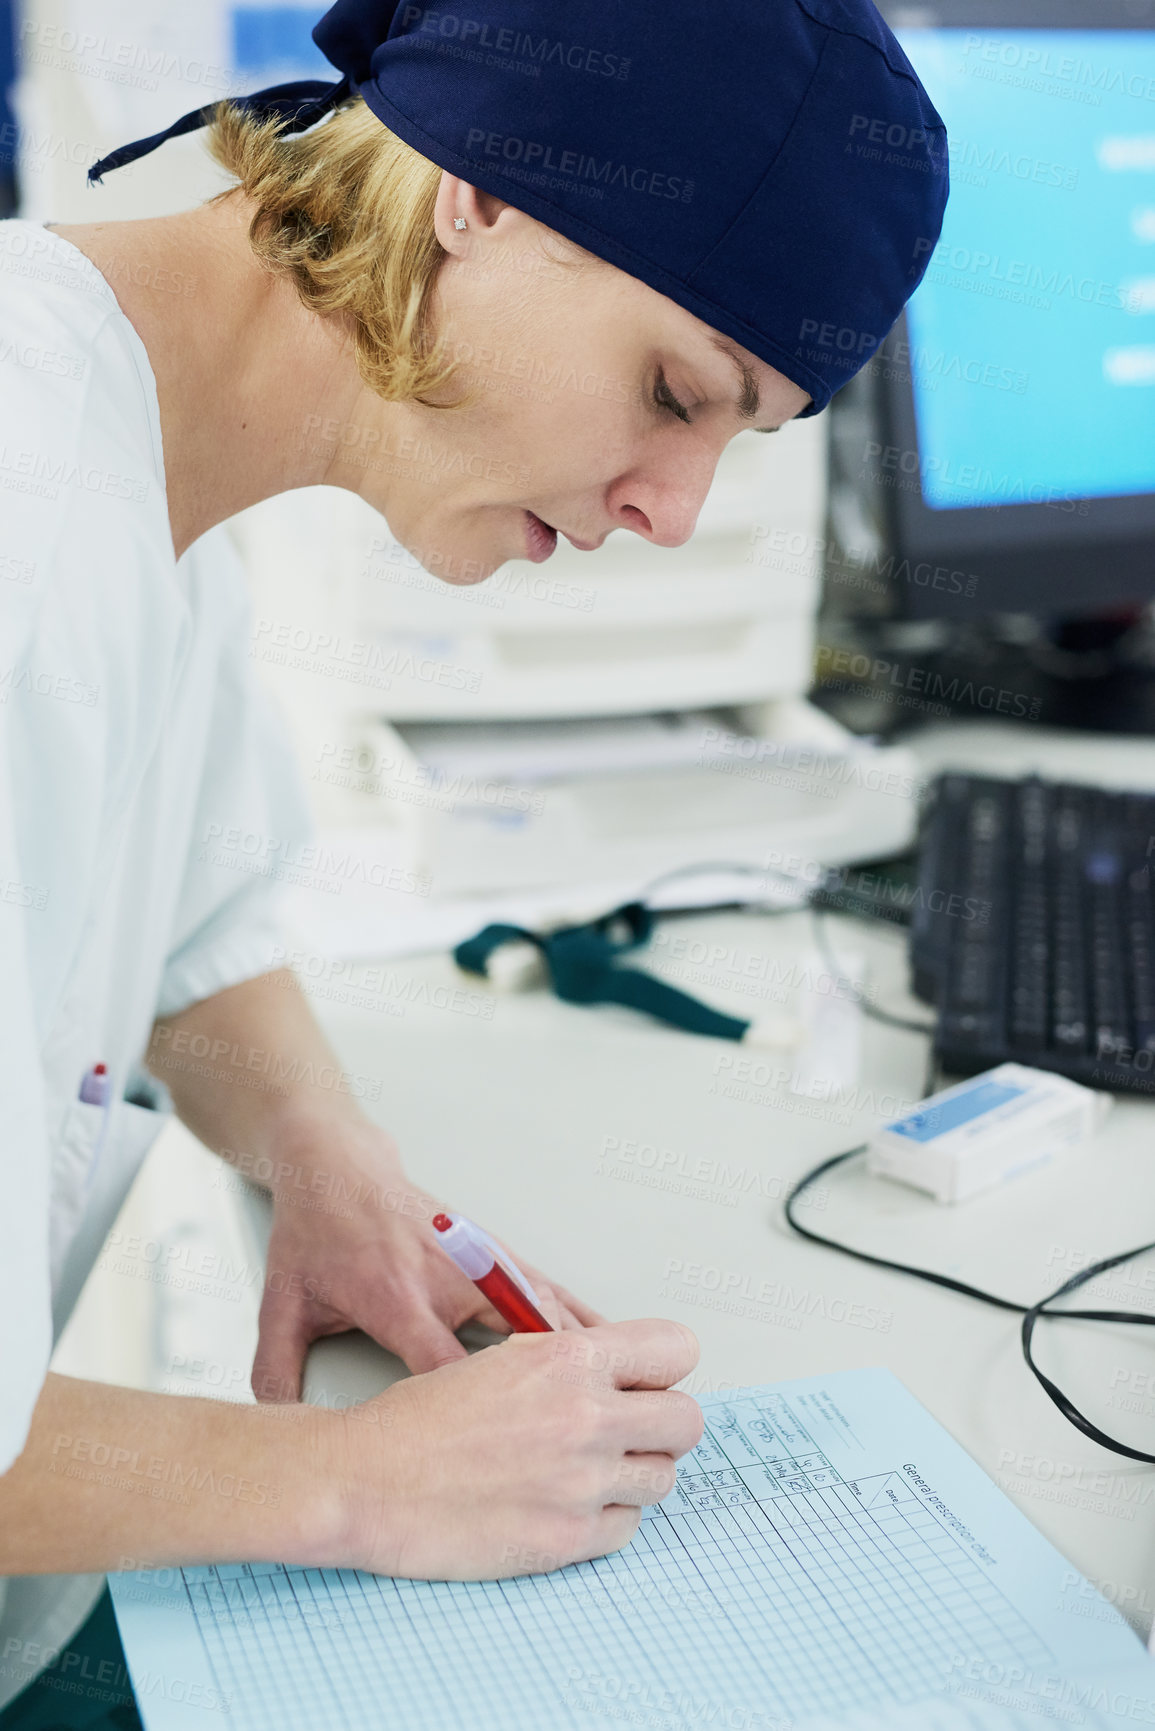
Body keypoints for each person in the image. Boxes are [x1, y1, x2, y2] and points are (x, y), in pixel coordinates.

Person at [0, 0, 948, 1721]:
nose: (669, 509)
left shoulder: (146, 451)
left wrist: (320, 1152)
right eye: (675, 394)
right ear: (483, 197)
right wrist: (366, 1483)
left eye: (735, 440)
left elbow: (188, 931)